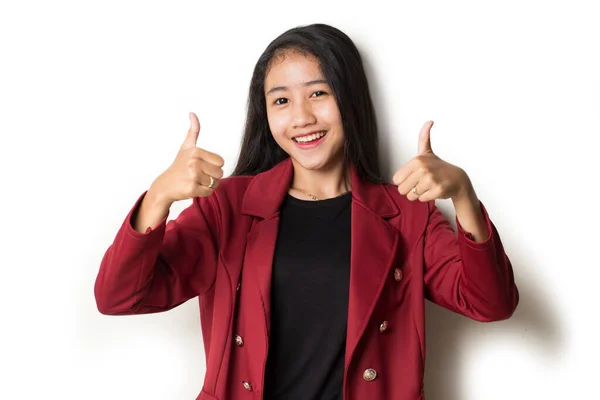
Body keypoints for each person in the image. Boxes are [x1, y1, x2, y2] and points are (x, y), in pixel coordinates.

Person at [94, 23, 519, 400]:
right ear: (266, 113)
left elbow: (491, 303)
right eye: (280, 101)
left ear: (349, 99)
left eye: (318, 93)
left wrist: (463, 193)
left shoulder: (408, 215)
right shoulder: (228, 207)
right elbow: (118, 298)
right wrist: (158, 197)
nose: (301, 117)